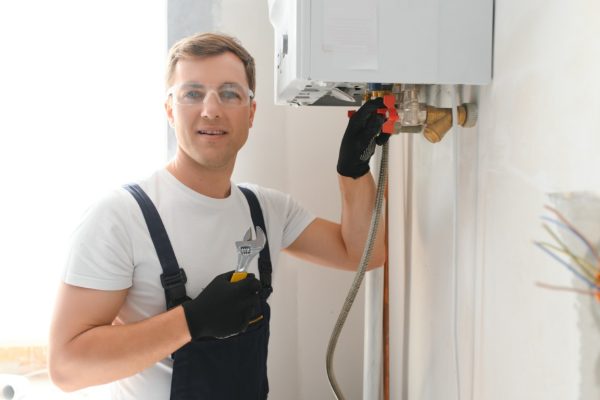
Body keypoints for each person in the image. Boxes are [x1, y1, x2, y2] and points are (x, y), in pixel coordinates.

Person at [48, 32, 387, 400]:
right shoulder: (120, 217)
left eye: (229, 94)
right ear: (169, 110)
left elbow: (363, 253)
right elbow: (67, 368)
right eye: (192, 94)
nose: (211, 109)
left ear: (251, 112)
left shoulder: (266, 210)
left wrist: (353, 171)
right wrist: (190, 321)